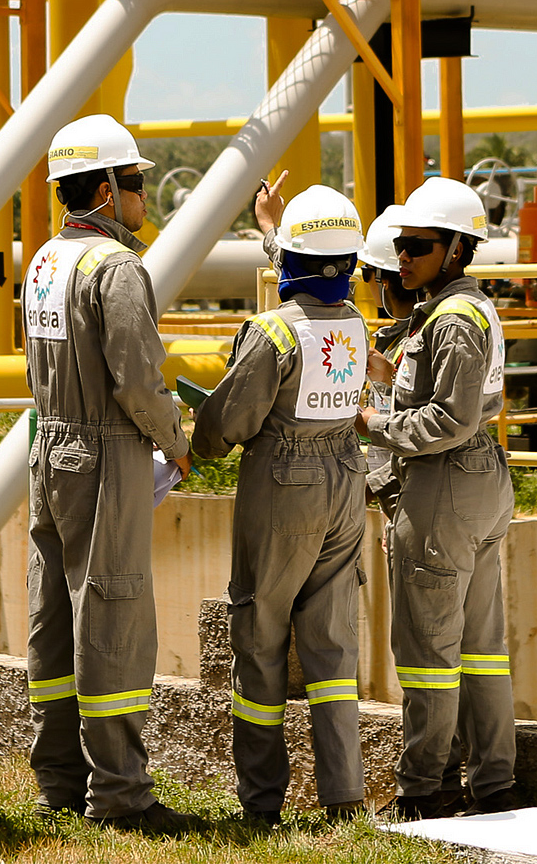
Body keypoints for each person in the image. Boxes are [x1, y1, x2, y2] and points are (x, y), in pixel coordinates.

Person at [21, 113, 198, 834]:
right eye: (133, 183)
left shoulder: (43, 261)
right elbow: (137, 380)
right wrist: (176, 440)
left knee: (55, 617)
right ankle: (121, 796)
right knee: (113, 614)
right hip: (103, 452)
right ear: (100, 189)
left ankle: (59, 782)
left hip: (50, 450)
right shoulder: (118, 268)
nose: (142, 197)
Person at [194, 182, 371, 823]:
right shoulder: (355, 324)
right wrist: (275, 228)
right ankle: (344, 798)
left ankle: (263, 803)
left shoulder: (271, 334)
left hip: (284, 484)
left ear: (286, 263)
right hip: (346, 480)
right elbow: (315, 277)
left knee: (261, 636)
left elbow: (230, 423)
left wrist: (196, 439)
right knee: (330, 648)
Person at [353, 176, 517, 820]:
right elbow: (471, 403)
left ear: (455, 248)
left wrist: (373, 424)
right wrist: (392, 382)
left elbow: (448, 420)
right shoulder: (465, 312)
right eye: (400, 248)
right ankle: (493, 783)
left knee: (427, 650)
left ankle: (422, 790)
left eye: (417, 248)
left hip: (444, 480)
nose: (402, 262)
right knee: (480, 644)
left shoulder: (452, 322)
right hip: (477, 482)